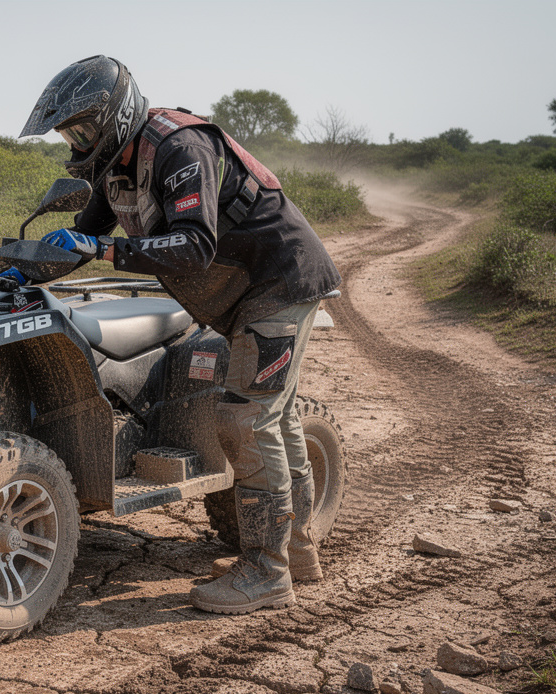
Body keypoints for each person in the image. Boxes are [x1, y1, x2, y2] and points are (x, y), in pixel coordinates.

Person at [19, 55, 342, 615]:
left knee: (246, 419)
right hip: (248, 292)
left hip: (279, 283)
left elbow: (194, 246)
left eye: (83, 130)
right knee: (278, 417)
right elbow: (84, 234)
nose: (77, 143)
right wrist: (20, 267)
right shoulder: (117, 165)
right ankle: (295, 553)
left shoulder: (179, 149)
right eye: (70, 135)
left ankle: (266, 574)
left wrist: (105, 248)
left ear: (116, 115)